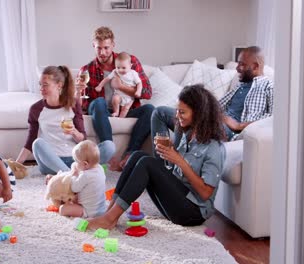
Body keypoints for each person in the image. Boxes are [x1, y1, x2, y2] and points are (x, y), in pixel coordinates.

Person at [87, 84, 226, 230]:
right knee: (137, 156)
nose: (177, 116)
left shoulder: (214, 147)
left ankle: (109, 219)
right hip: (177, 202)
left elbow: (205, 193)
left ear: (198, 113)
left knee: (147, 163)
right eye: (178, 111)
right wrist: (170, 154)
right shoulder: (188, 134)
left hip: (192, 213)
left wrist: (179, 161)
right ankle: (109, 213)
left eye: (182, 112)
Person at [75, 26, 154, 171]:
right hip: (101, 110)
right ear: (93, 45)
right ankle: (109, 151)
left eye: (106, 47)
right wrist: (78, 92)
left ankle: (129, 155)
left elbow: (147, 92)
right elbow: (84, 107)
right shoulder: (86, 70)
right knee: (98, 102)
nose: (103, 52)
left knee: (150, 110)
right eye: (99, 48)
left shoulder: (130, 61)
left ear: (113, 45)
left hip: (126, 107)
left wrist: (122, 87)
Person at [15, 65, 115, 175]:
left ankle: (70, 174)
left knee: (109, 146)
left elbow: (82, 138)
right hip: (50, 163)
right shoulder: (36, 109)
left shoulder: (72, 104)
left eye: (45, 85)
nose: (41, 88)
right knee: (37, 143)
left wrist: (74, 132)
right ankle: (72, 175)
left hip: (75, 159)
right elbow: (30, 142)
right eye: (40, 85)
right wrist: (16, 165)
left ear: (59, 85)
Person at [219, 46, 273, 140]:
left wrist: (239, 126)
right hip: (219, 122)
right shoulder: (240, 86)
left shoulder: (268, 86)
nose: (237, 68)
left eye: (242, 64)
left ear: (255, 66)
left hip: (230, 131)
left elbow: (273, 118)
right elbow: (217, 105)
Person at [54, 140, 107, 218]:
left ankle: (77, 211)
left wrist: (74, 175)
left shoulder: (85, 175)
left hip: (88, 211)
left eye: (76, 161)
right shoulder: (100, 168)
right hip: (101, 208)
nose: (75, 163)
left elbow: (74, 188)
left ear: (85, 164)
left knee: (63, 209)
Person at [95, 52, 142, 118]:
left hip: (129, 97)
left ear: (130, 66)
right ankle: (116, 112)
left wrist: (138, 91)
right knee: (115, 99)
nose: (120, 70)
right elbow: (107, 79)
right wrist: (100, 86)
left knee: (125, 109)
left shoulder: (133, 73)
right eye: (118, 67)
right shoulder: (115, 71)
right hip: (119, 94)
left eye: (123, 68)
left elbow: (139, 83)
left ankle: (120, 119)